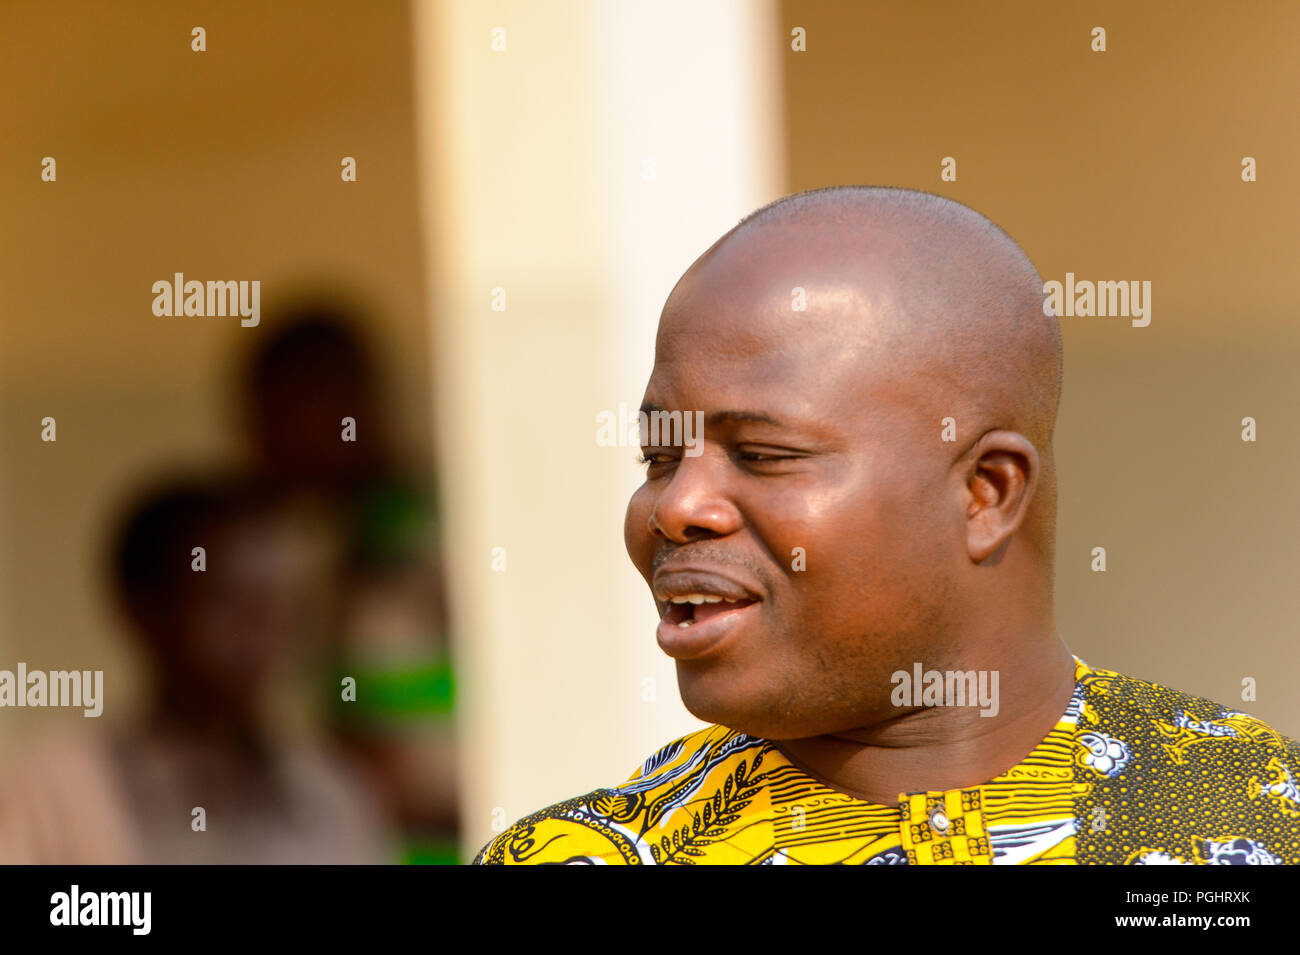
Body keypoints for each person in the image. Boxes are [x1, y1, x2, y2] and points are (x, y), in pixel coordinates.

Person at [474, 185, 1300, 865]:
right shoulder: (592, 854)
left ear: (986, 493)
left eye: (761, 453)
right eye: (658, 459)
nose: (679, 506)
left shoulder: (1253, 818)